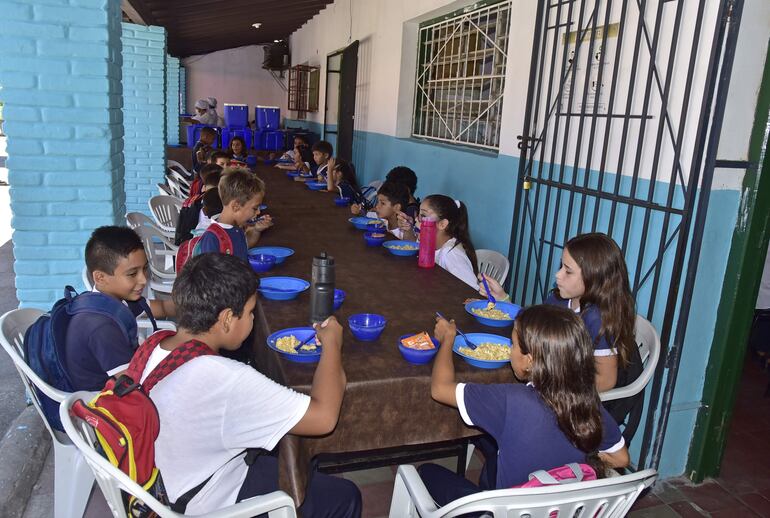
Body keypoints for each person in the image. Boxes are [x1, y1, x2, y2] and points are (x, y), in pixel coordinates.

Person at [139, 253, 361, 516]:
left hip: (164, 480)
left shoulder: (156, 343)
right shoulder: (224, 378)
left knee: (296, 462)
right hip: (207, 502)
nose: (253, 319)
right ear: (226, 319)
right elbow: (324, 417)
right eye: (250, 312)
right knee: (345, 496)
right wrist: (333, 344)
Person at [419, 305, 629, 506]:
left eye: (513, 345)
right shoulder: (588, 404)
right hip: (558, 510)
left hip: (505, 511)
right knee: (493, 457)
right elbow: (620, 458)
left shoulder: (510, 400)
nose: (510, 351)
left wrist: (447, 340)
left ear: (530, 360)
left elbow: (439, 388)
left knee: (426, 472)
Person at [479, 233, 642, 419]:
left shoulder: (599, 319)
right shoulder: (559, 299)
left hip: (580, 405)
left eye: (568, 271)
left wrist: (553, 387)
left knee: (502, 411)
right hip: (551, 385)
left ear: (594, 277)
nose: (558, 275)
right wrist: (504, 300)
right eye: (561, 266)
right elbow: (538, 331)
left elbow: (606, 380)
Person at [65, 226, 175, 391]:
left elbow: (163, 308)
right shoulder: (101, 326)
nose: (143, 279)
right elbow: (136, 383)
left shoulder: (115, 299)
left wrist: (199, 303)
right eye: (132, 274)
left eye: (144, 268)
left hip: (125, 379)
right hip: (100, 403)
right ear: (100, 278)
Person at [399, 195, 478, 289]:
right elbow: (411, 247)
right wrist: (408, 230)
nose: (417, 219)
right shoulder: (430, 243)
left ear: (442, 224)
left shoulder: (450, 255)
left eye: (423, 216)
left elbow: (473, 291)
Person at [196, 168, 272, 261]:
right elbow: (209, 273)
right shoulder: (212, 238)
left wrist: (256, 230)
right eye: (255, 208)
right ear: (236, 206)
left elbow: (243, 247)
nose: (258, 212)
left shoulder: (235, 227)